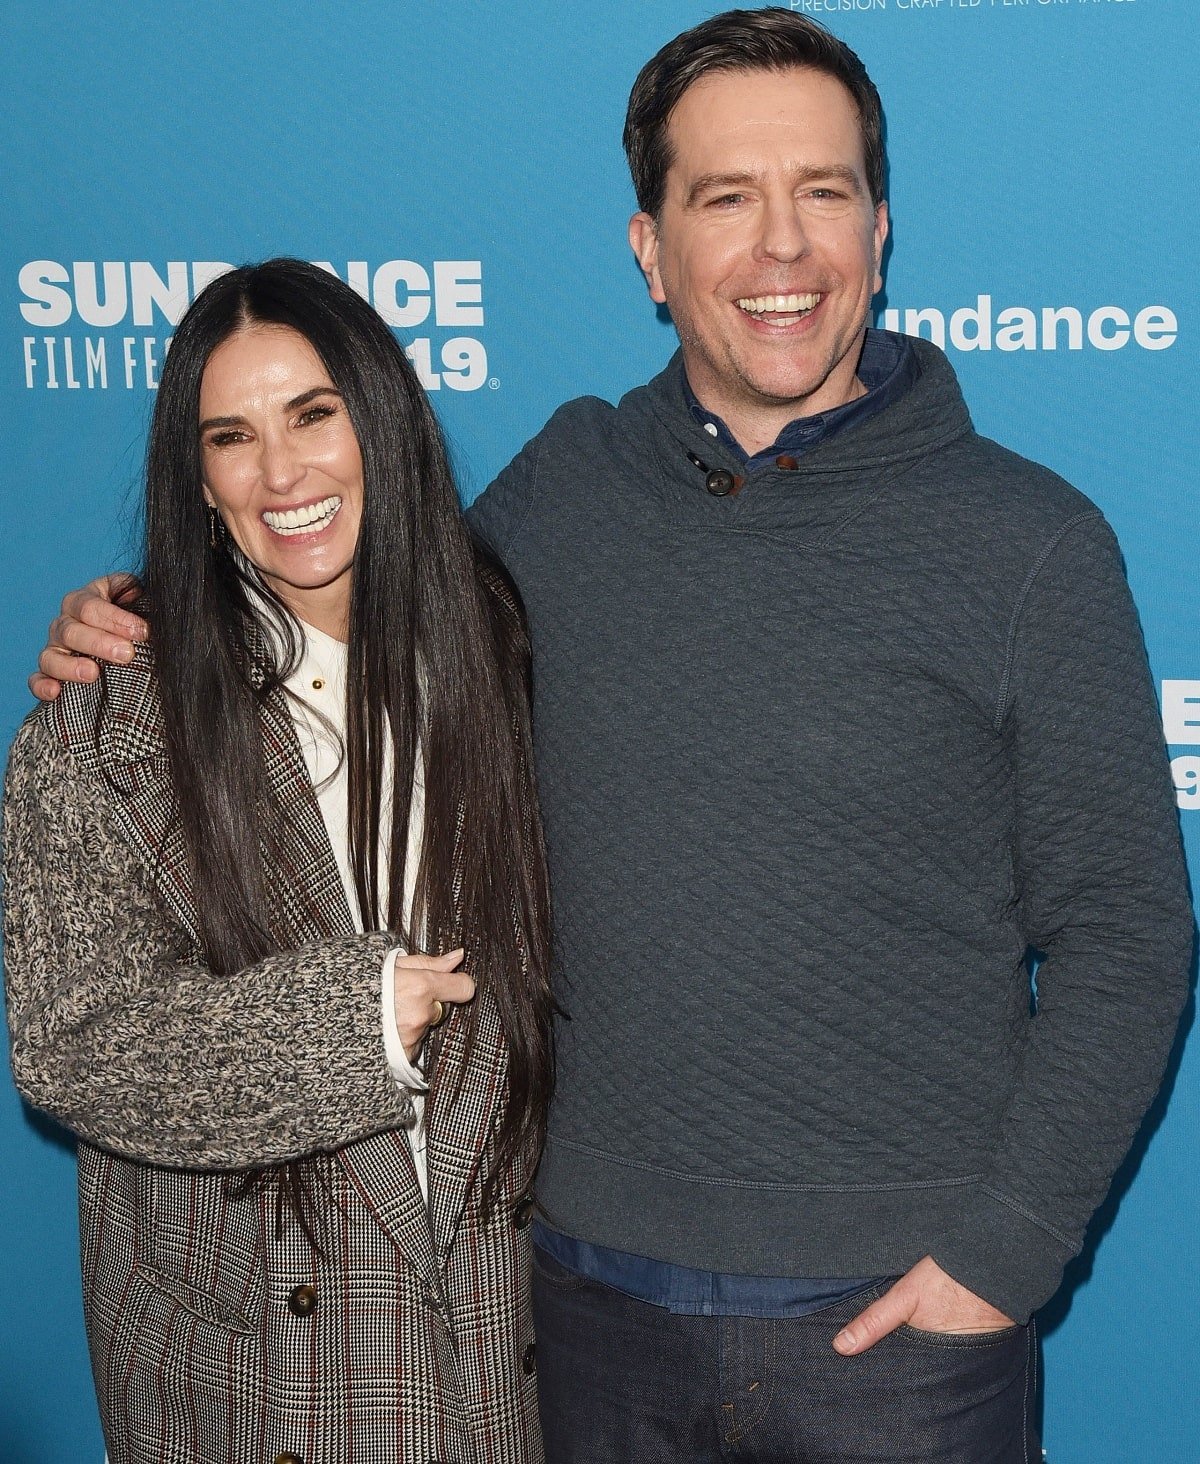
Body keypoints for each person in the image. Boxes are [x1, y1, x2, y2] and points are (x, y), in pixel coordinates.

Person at [27, 10, 1194, 1462]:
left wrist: (1002, 1258)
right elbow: (349, 592)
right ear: (649, 247)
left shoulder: (1033, 542)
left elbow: (1130, 932)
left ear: (881, 231)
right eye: (725, 198)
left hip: (903, 1336)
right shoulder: (562, 491)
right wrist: (142, 618)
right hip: (578, 1312)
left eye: (821, 193)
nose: (782, 248)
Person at [6, 258, 554, 1464]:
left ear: (382, 422)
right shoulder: (104, 730)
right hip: (257, 1388)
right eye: (232, 437)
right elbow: (72, 1049)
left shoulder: (507, 659)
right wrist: (351, 1022)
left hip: (496, 1361)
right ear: (198, 480)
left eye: (314, 413)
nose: (283, 472)